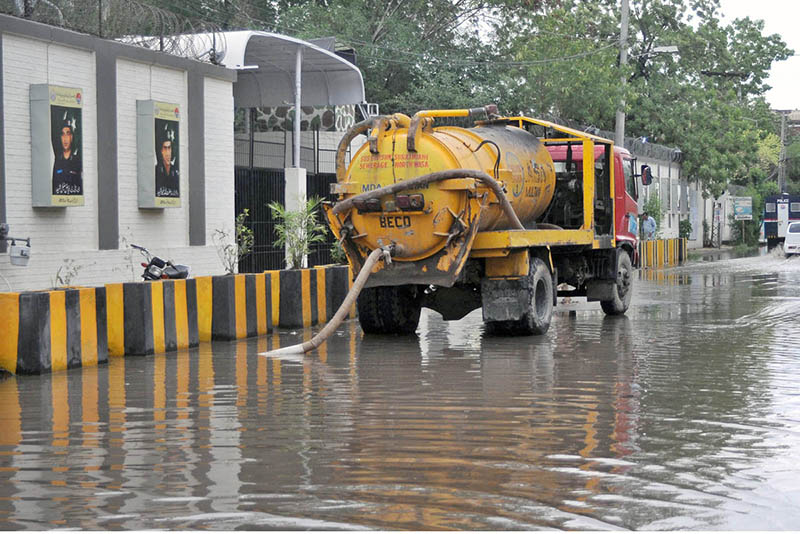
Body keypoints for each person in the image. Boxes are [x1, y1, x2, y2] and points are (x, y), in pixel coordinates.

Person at [52, 121, 82, 195]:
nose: (65, 139)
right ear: (60, 138)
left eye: (68, 134)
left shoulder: (77, 161)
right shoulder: (55, 161)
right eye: (63, 134)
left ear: (71, 137)